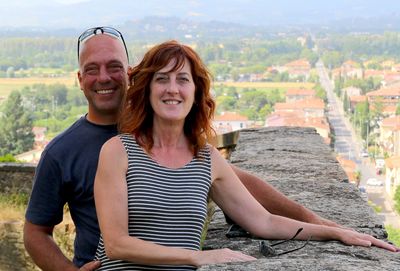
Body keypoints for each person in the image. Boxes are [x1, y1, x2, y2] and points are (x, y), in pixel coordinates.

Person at [23, 26, 345, 271]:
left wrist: (320, 224)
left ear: (132, 74)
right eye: (92, 69)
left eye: (113, 66)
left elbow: (242, 189)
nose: (103, 77)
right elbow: (36, 232)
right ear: (80, 79)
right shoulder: (62, 152)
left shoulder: (171, 132)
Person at [92, 40, 398, 270]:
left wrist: (333, 233)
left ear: (196, 92)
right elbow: (117, 245)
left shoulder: (206, 159)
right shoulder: (119, 152)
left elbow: (262, 221)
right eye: (162, 79)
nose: (172, 89)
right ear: (147, 89)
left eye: (182, 79)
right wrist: (196, 256)